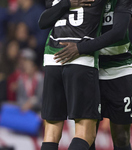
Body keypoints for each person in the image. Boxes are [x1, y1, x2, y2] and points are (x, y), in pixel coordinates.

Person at [54, 0, 132, 150]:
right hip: (90, 67)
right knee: (88, 132)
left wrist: (81, 48)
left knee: (121, 135)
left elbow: (118, 33)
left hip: (119, 68)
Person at [38, 0, 106, 150]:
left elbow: (42, 22)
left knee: (51, 133)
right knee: (85, 134)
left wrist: (66, 3)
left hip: (52, 61)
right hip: (80, 60)